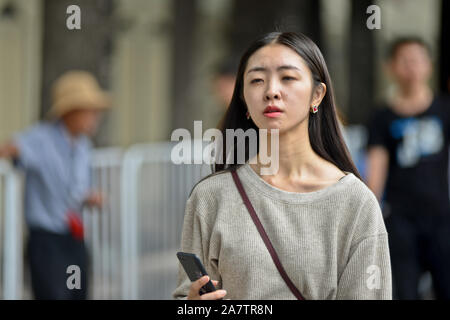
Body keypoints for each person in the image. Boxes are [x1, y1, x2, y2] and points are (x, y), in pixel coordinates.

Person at [173, 31, 392, 300]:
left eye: (287, 78)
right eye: (256, 80)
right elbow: (187, 297)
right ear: (242, 97)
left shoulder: (355, 202)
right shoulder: (210, 197)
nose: (271, 91)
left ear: (317, 95)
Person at [0, 70, 110, 299]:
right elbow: (10, 148)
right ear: (70, 111)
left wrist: (90, 197)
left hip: (74, 237)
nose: (95, 117)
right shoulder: (41, 138)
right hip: (46, 241)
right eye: (89, 111)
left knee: (79, 294)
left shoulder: (83, 146)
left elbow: (77, 189)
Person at [366, 37, 450, 300]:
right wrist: (370, 216)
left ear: (429, 65)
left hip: (442, 219)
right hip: (400, 221)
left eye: (417, 60)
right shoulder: (381, 117)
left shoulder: (445, 110)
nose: (411, 67)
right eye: (404, 61)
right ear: (390, 67)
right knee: (403, 290)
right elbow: (376, 170)